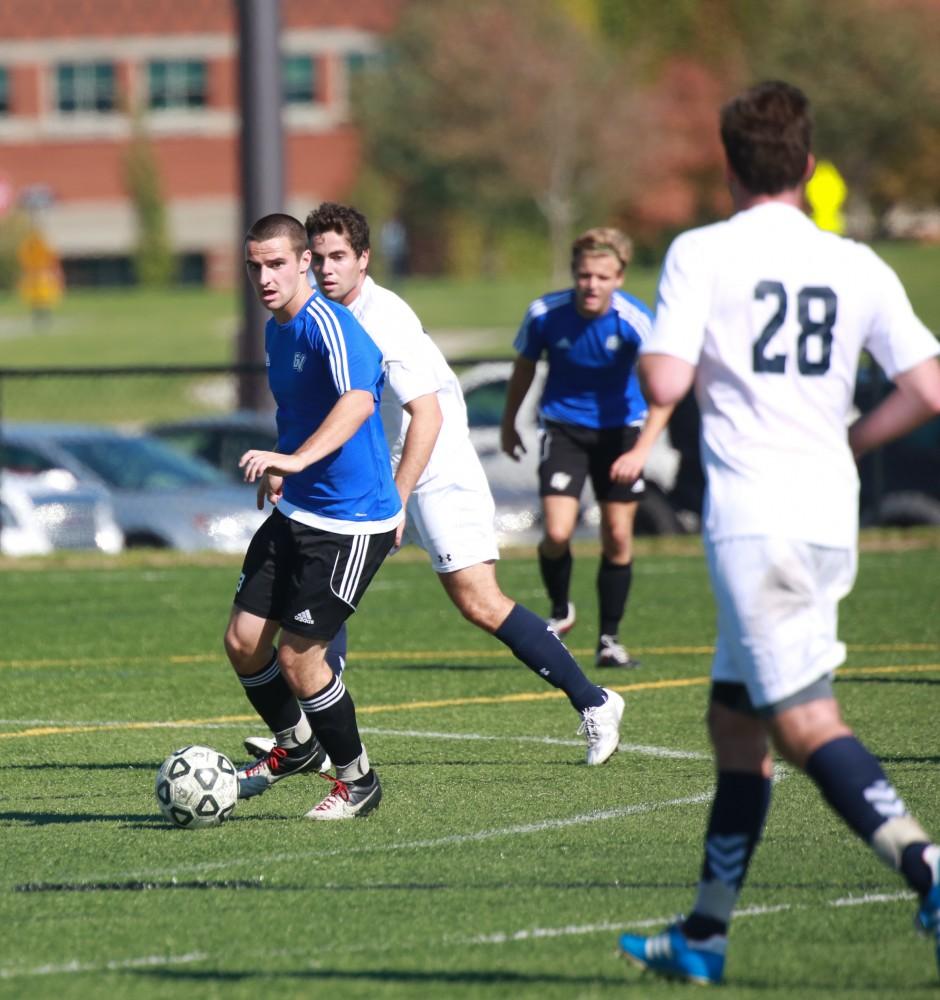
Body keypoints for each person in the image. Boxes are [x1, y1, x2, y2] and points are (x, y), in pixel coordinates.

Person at [618, 80, 940, 985]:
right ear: (805, 166)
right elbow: (928, 388)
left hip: (757, 520)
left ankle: (927, 866)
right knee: (736, 727)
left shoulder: (702, 253)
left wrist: (663, 359)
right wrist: (851, 435)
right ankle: (705, 936)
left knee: (801, 723)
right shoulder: (858, 264)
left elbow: (668, 378)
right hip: (829, 513)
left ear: (729, 167)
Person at [246, 202, 624, 767]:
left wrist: (396, 500)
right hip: (371, 472)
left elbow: (428, 417)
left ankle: (595, 701)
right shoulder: (313, 315)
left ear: (364, 260)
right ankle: (316, 736)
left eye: (339, 257)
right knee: (314, 595)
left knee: (478, 600)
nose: (326, 269)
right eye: (318, 258)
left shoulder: (384, 318)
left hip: (435, 467)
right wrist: (289, 463)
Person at [223, 212, 403, 820]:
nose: (265, 277)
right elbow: (302, 406)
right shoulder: (277, 331)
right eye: (255, 266)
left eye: (277, 264)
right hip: (299, 507)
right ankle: (296, 747)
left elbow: (357, 401)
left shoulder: (328, 323)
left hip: (351, 520)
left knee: (302, 659)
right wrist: (283, 468)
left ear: (304, 262)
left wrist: (292, 459)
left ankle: (357, 781)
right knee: (244, 642)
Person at [500, 228, 673, 668]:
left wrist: (640, 452)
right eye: (583, 275)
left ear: (619, 278)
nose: (591, 285)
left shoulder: (637, 321)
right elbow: (524, 367)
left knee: (617, 536)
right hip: (564, 430)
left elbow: (664, 394)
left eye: (602, 276)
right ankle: (560, 612)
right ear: (574, 274)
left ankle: (609, 641)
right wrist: (510, 423)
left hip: (621, 435)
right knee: (557, 532)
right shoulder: (544, 314)